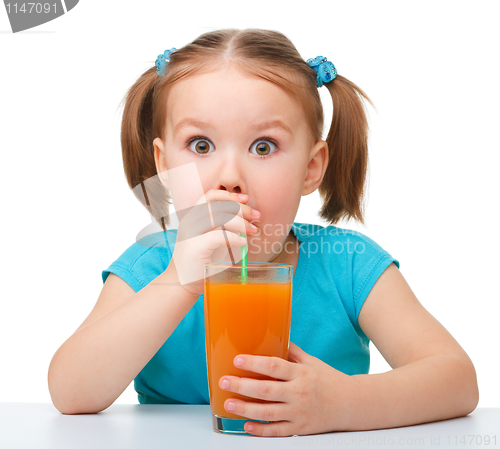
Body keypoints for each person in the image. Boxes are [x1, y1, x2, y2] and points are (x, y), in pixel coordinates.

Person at [48, 28, 479, 437]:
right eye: (200, 145)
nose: (230, 177)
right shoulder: (150, 266)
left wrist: (344, 402)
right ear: (165, 166)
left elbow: (457, 380)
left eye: (263, 147)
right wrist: (177, 282)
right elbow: (70, 392)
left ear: (311, 169)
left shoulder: (348, 264)